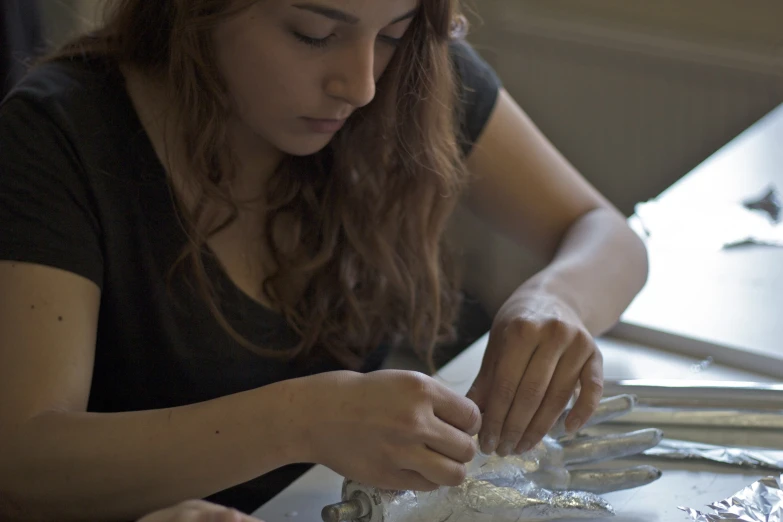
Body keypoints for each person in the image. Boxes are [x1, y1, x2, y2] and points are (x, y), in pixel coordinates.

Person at [0, 0, 649, 521]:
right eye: (313, 33)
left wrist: (553, 301)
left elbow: (605, 236)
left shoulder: (410, 74)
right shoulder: (57, 136)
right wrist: (301, 420)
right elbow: (23, 467)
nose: (361, 83)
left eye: (392, 32)